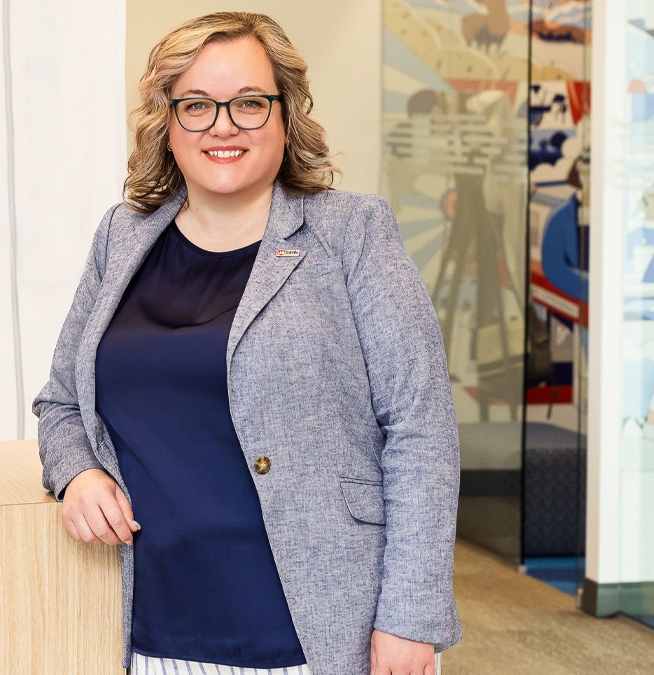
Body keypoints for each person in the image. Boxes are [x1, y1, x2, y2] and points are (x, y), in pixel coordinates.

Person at [32, 12, 461, 675]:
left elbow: (419, 427)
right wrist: (77, 472)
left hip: (313, 634)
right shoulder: (122, 237)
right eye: (197, 105)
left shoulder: (351, 234)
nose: (222, 125)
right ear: (167, 121)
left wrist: (410, 617)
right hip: (147, 632)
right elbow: (59, 403)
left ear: (285, 114)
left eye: (249, 104)